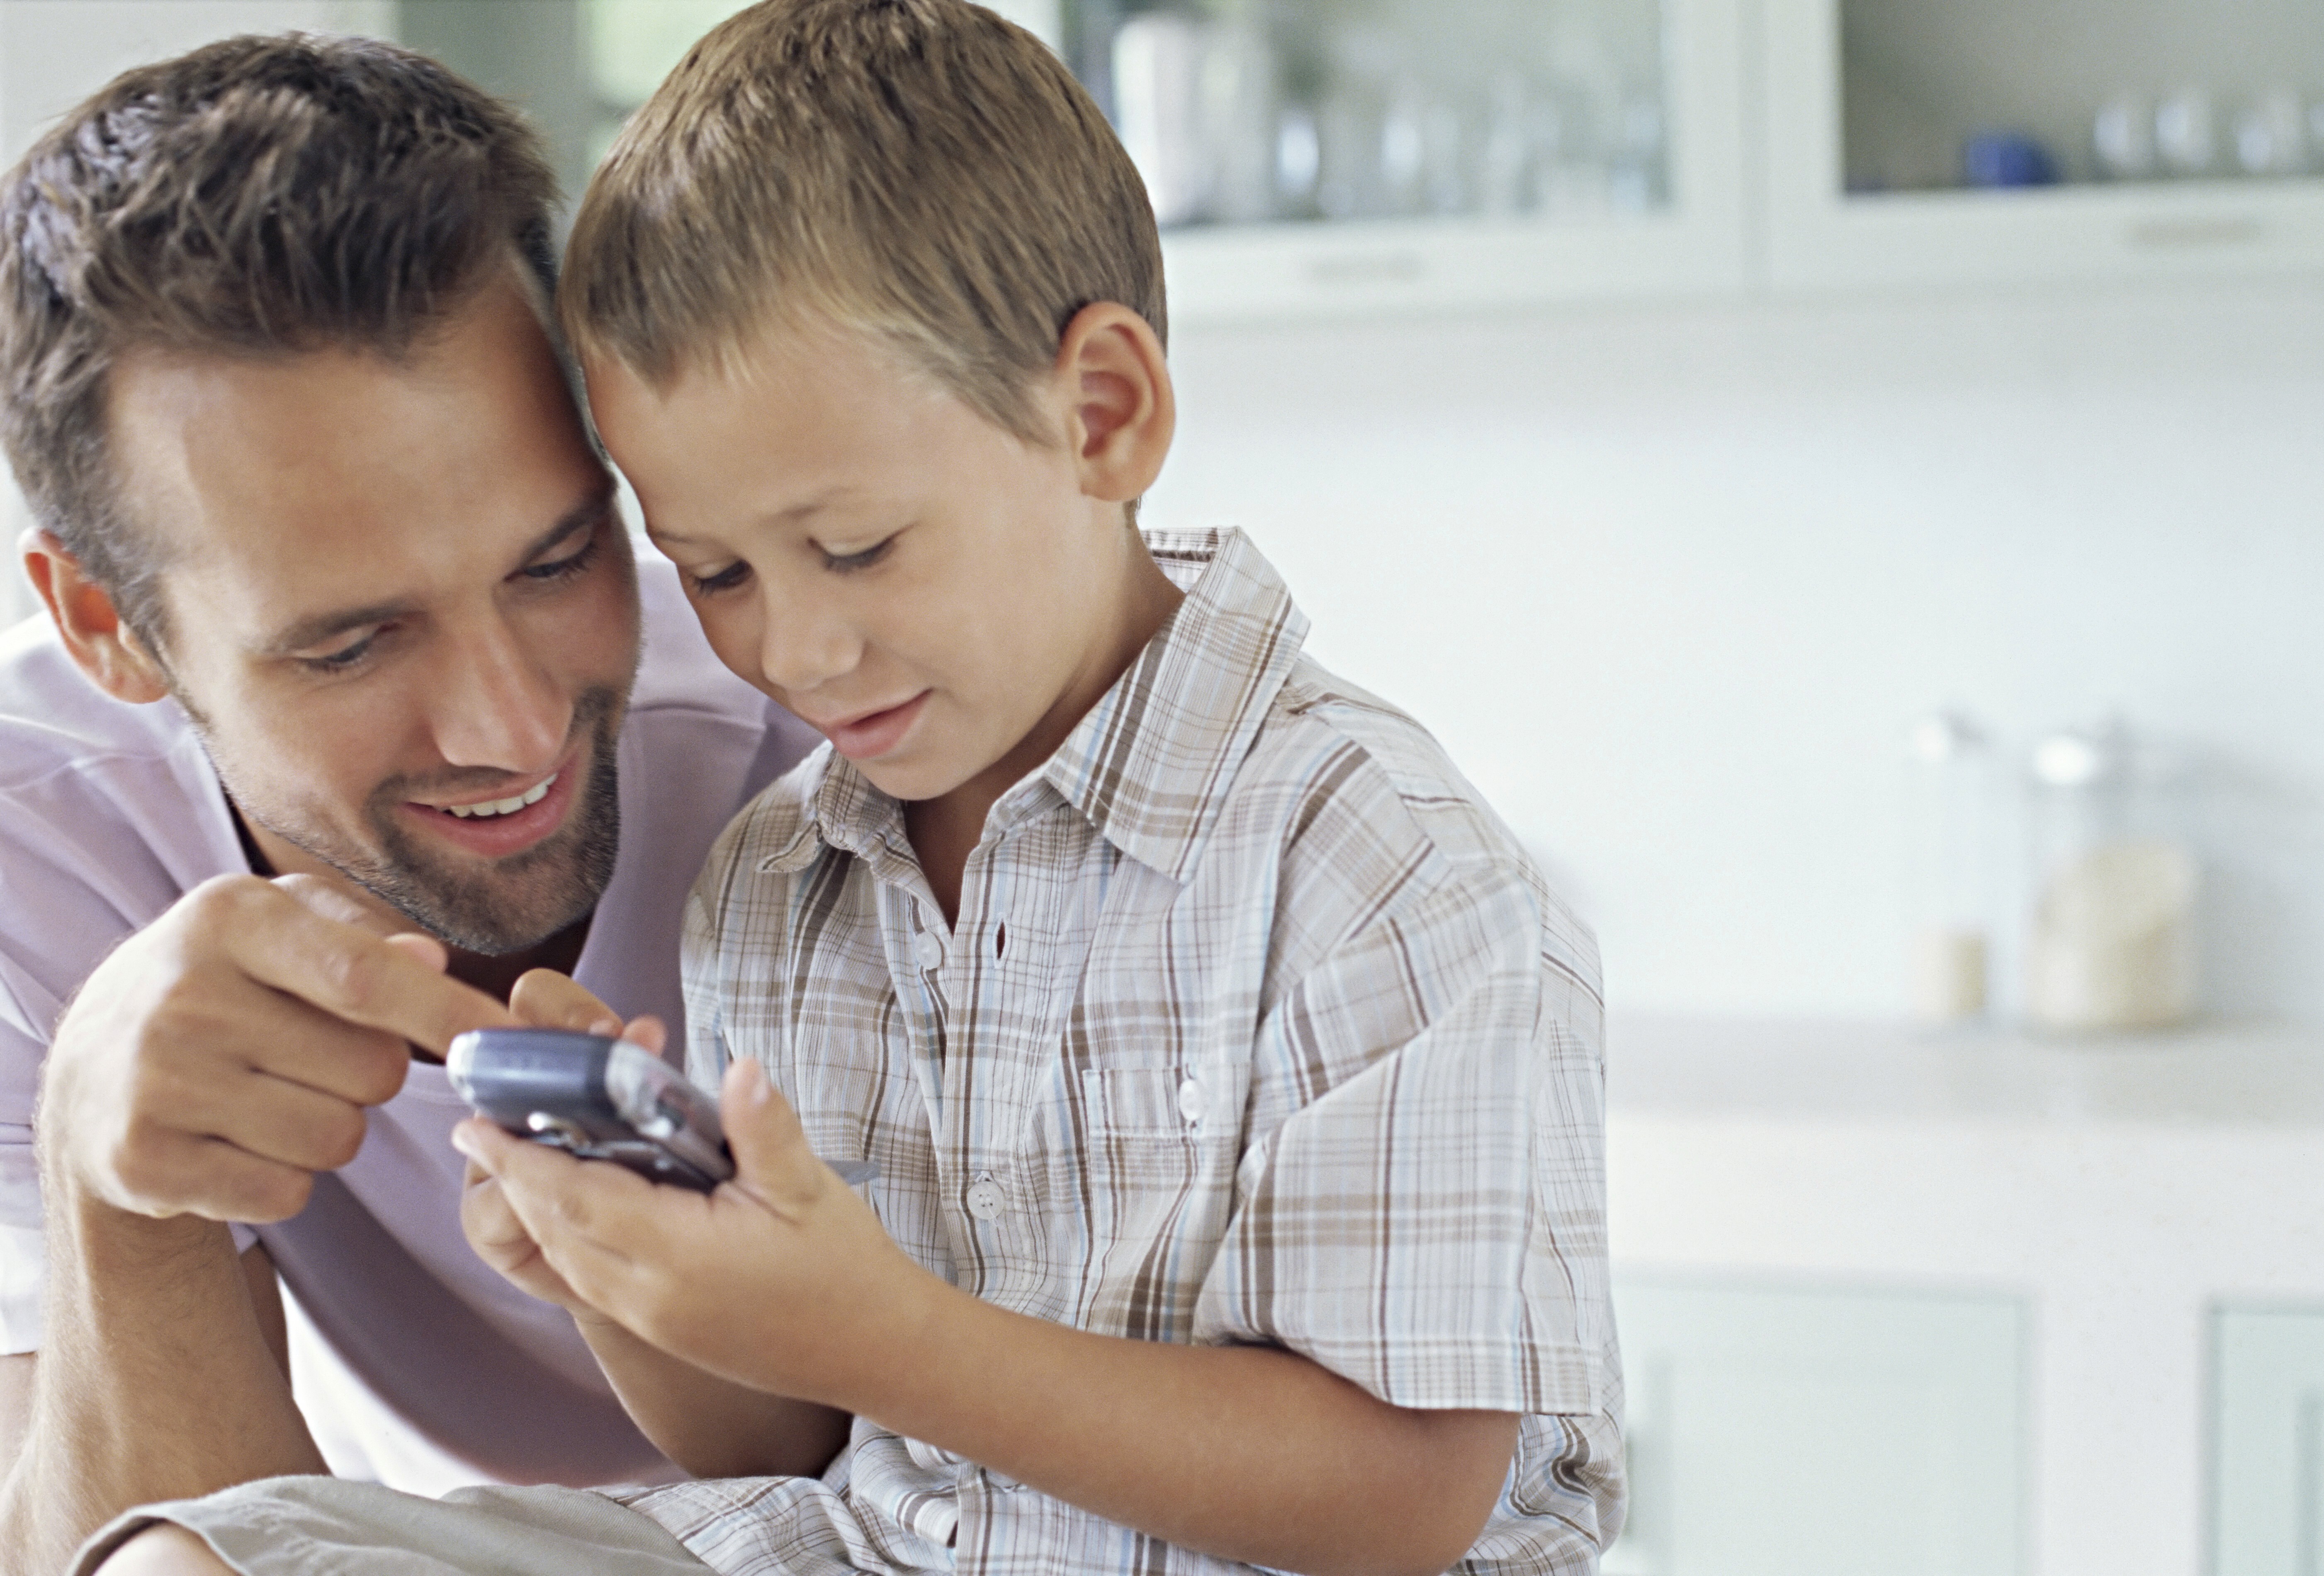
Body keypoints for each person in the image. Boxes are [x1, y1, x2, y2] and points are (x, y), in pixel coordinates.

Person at [85, 2, 1624, 1573]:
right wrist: (621, 1270)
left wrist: (888, 1340)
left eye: (858, 547)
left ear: (1101, 415)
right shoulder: (774, 881)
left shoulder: (1374, 863)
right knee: (188, 1563)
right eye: (718, 573)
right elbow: (775, 1440)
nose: (798, 651)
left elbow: (1406, 1502)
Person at [0, 33, 820, 1575]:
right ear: (106, 626)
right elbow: (124, 1554)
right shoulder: (29, 853)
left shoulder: (826, 722)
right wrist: (119, 1191)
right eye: (351, 641)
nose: (510, 726)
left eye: (557, 562)